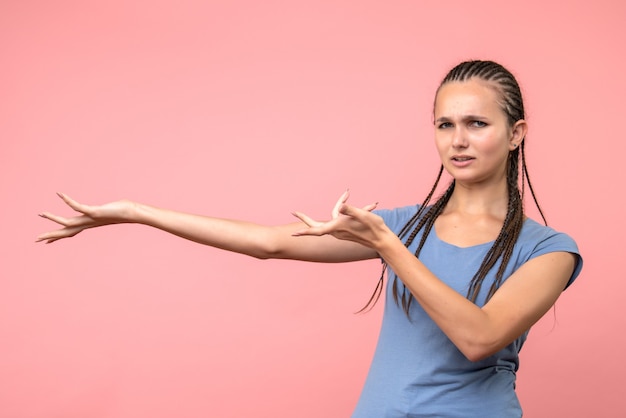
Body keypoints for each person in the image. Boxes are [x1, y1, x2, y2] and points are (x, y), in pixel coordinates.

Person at [37, 60, 583, 417]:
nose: (457, 141)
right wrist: (137, 212)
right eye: (445, 125)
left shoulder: (550, 250)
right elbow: (269, 242)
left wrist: (390, 247)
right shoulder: (399, 224)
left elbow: (479, 337)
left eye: (476, 124)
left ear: (516, 134)